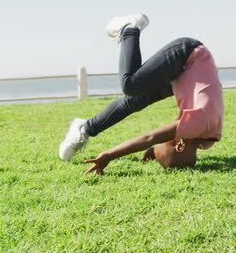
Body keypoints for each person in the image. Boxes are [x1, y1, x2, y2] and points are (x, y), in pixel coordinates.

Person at [58, 14, 224, 175]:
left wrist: (156, 151)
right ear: (179, 144)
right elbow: (149, 137)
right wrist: (109, 155)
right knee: (130, 85)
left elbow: (160, 140)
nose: (163, 136)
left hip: (181, 76)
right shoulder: (197, 124)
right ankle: (129, 29)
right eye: (163, 142)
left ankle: (85, 128)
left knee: (134, 101)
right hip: (187, 55)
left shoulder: (207, 139)